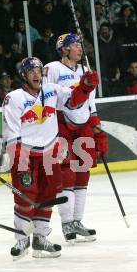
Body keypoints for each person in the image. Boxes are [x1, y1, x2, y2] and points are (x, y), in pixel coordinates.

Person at [3, 57, 99, 260]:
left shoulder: (52, 90)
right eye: (31, 72)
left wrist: (86, 86)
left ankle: (40, 238)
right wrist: (19, 158)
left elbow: (73, 102)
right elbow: (11, 132)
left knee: (47, 197)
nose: (37, 74)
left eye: (38, 70)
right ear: (23, 76)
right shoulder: (14, 98)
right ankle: (21, 239)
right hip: (26, 155)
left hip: (49, 154)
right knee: (25, 197)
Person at [43, 34, 108, 243]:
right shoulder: (52, 68)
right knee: (67, 174)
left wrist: (96, 125)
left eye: (80, 45)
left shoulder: (85, 70)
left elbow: (91, 102)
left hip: (84, 124)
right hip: (61, 123)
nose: (80, 48)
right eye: (75, 45)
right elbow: (46, 96)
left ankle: (77, 221)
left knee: (83, 174)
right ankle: (67, 223)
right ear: (64, 49)